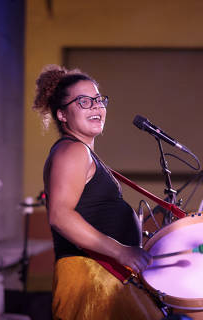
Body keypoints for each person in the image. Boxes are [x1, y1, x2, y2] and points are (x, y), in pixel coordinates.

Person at [32, 65, 162, 319]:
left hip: (102, 277)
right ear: (62, 115)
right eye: (83, 101)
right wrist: (121, 251)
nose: (96, 107)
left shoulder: (82, 153)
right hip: (91, 281)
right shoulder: (72, 151)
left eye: (98, 100)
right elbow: (60, 215)